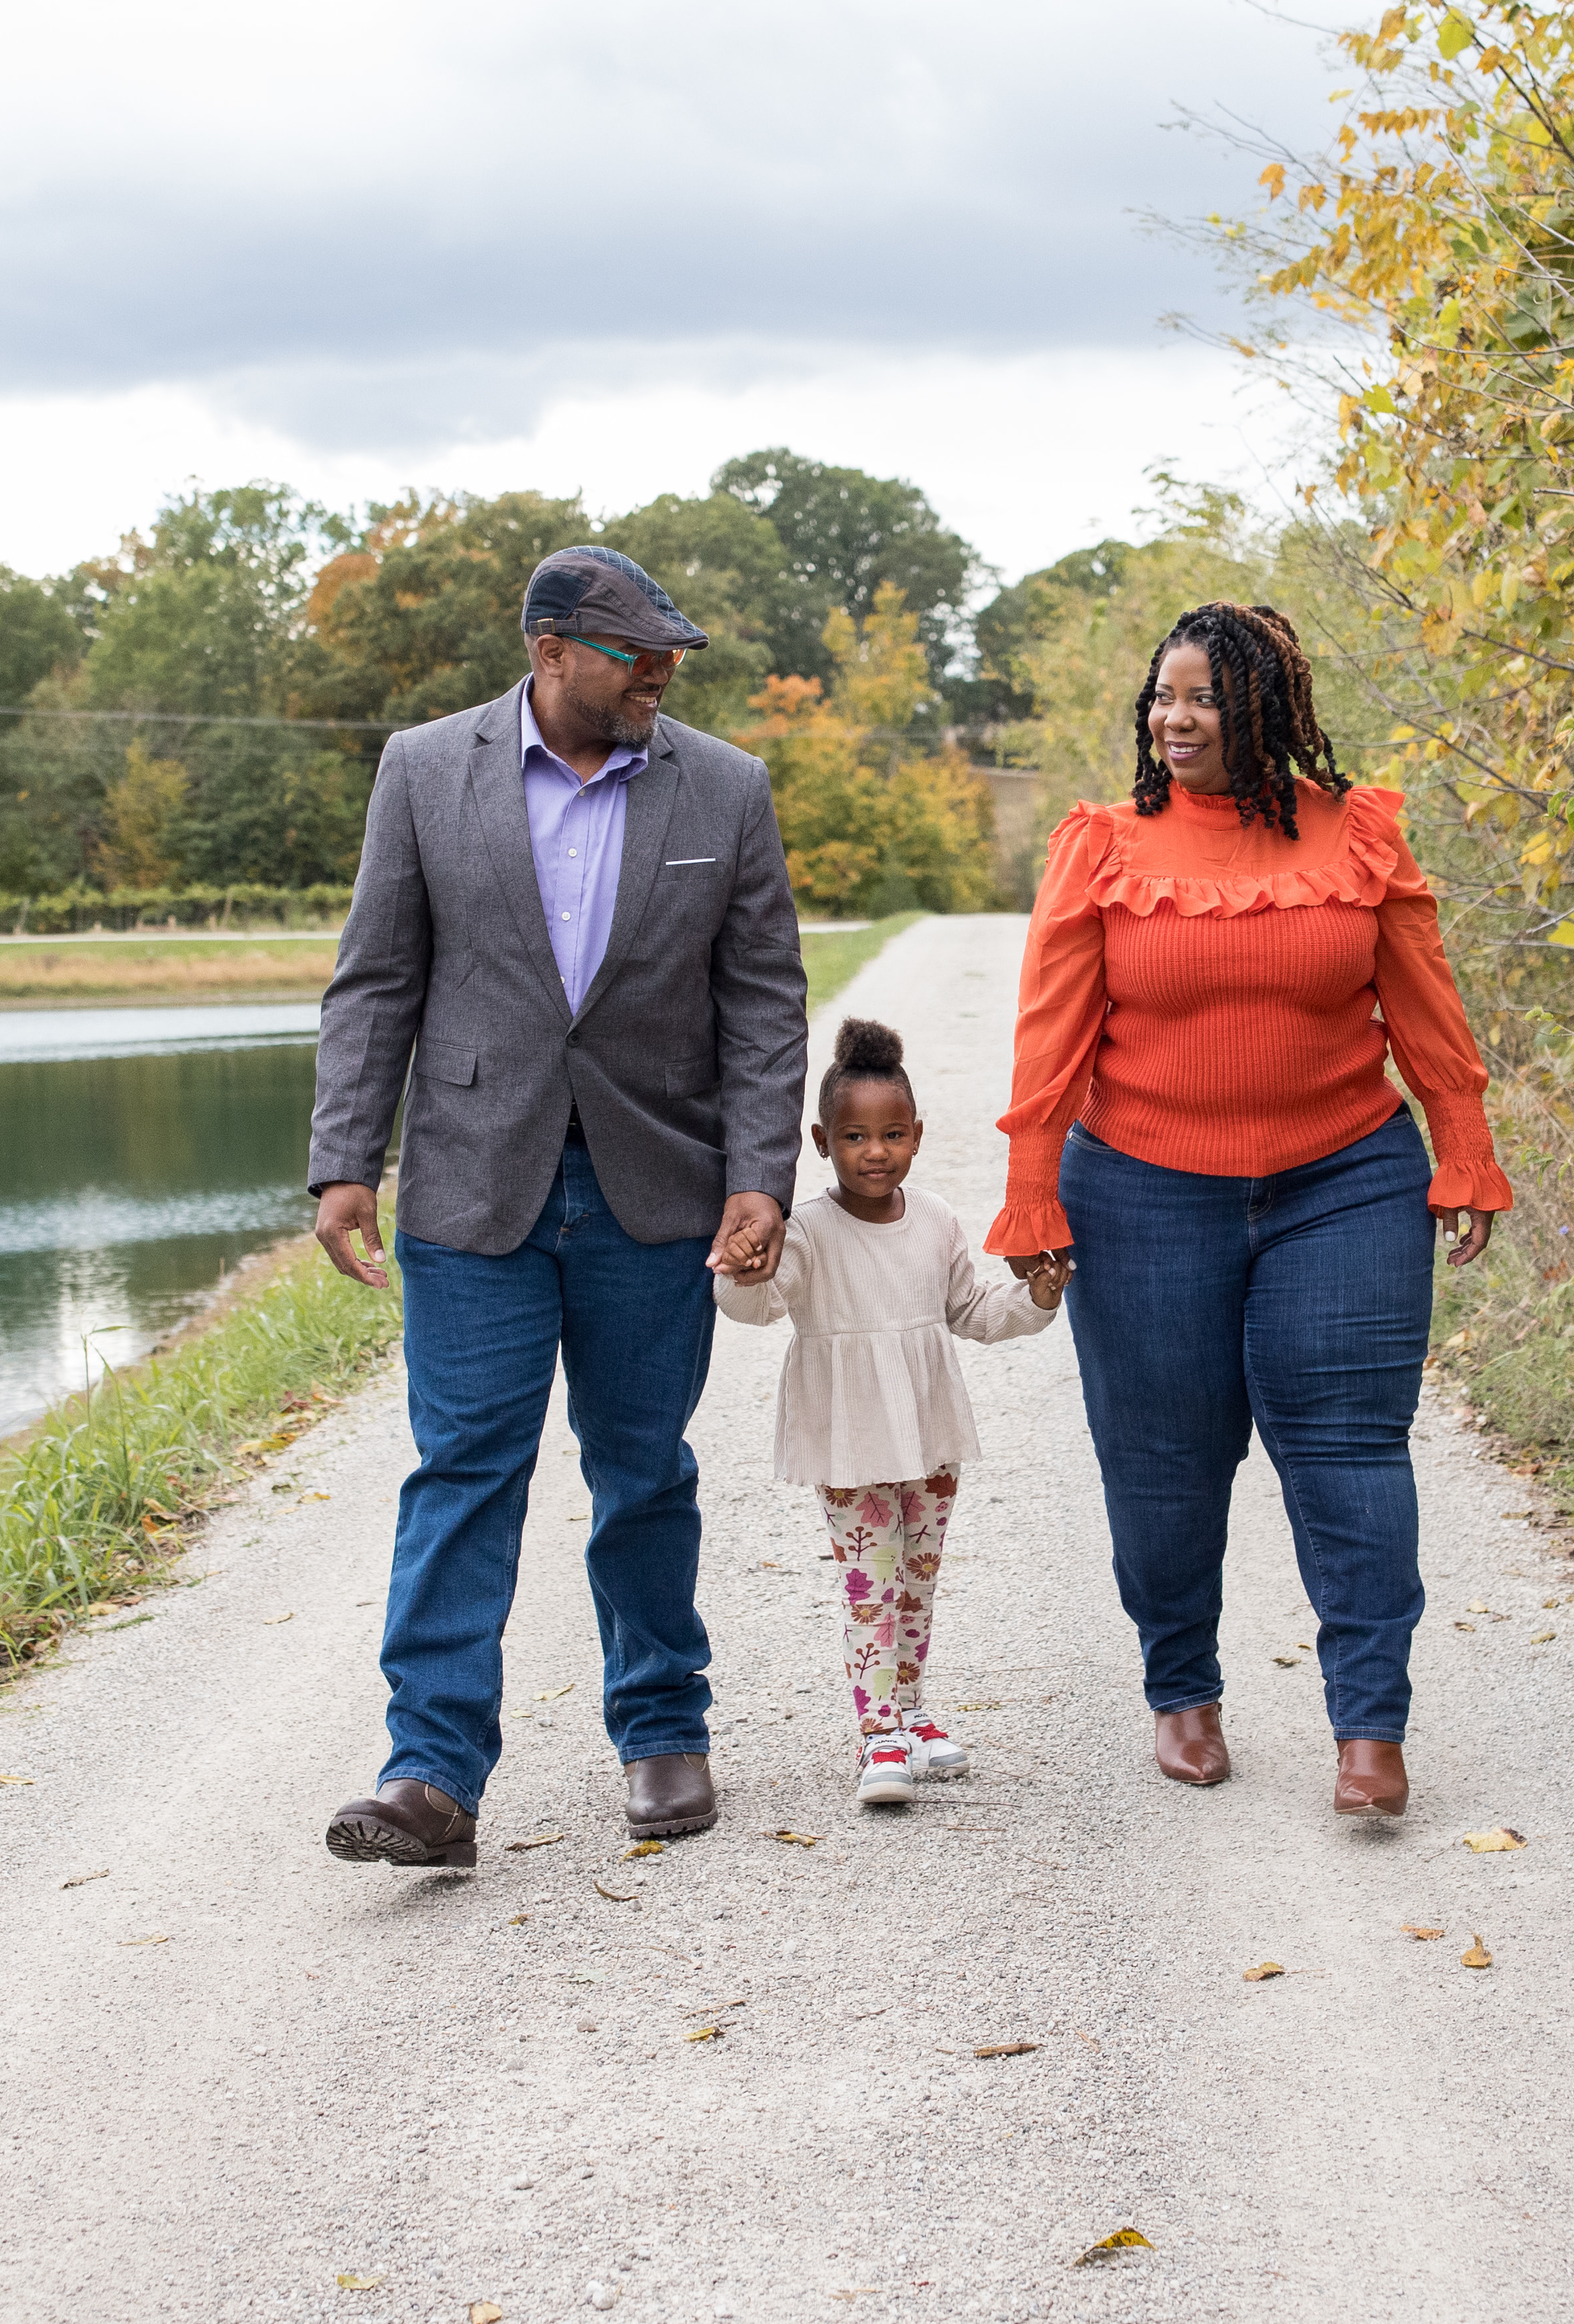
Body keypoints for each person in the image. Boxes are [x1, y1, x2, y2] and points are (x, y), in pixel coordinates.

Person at [306, 546, 809, 1870]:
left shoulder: (727, 785)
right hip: (475, 1184)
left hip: (656, 1187)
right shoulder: (424, 769)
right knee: (465, 1466)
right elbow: (376, 978)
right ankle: (431, 1775)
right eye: (635, 654)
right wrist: (346, 1156)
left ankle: (663, 1728)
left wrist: (760, 1175)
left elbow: (764, 999)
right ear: (550, 650)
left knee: (641, 1467)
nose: (660, 676)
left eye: (670, 658)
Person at [989, 600, 1510, 1819]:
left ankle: (1370, 1726)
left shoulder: (1356, 835)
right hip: (1140, 1189)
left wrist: (1465, 1149)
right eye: (1162, 698)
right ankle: (1183, 1691)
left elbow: (1424, 1001)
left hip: (1345, 1180)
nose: (1173, 720)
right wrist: (1030, 1192)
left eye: (1204, 700)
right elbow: (1051, 1032)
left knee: (1351, 1452)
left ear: (1264, 711)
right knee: (1163, 1461)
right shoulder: (1105, 846)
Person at [710, 1016, 1063, 1808]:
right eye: (856, 1135)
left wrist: (1035, 1298)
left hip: (930, 1435)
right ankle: (877, 1733)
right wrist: (738, 1269)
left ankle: (910, 1707)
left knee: (917, 1580)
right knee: (871, 1585)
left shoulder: (935, 1219)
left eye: (893, 1134)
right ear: (821, 1141)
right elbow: (757, 1306)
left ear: (918, 1136)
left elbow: (972, 1311)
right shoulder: (806, 1229)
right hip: (850, 1439)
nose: (876, 1150)